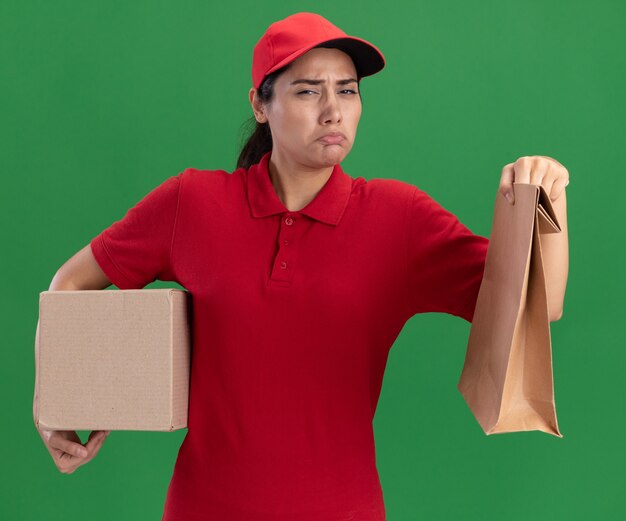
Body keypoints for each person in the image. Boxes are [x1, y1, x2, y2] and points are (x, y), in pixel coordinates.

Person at [34, 11, 569, 520]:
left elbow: (537, 308)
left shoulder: (398, 218)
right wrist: (57, 405)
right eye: (309, 90)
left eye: (348, 91)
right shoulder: (191, 204)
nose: (332, 109)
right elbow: (70, 284)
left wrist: (549, 204)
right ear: (260, 105)